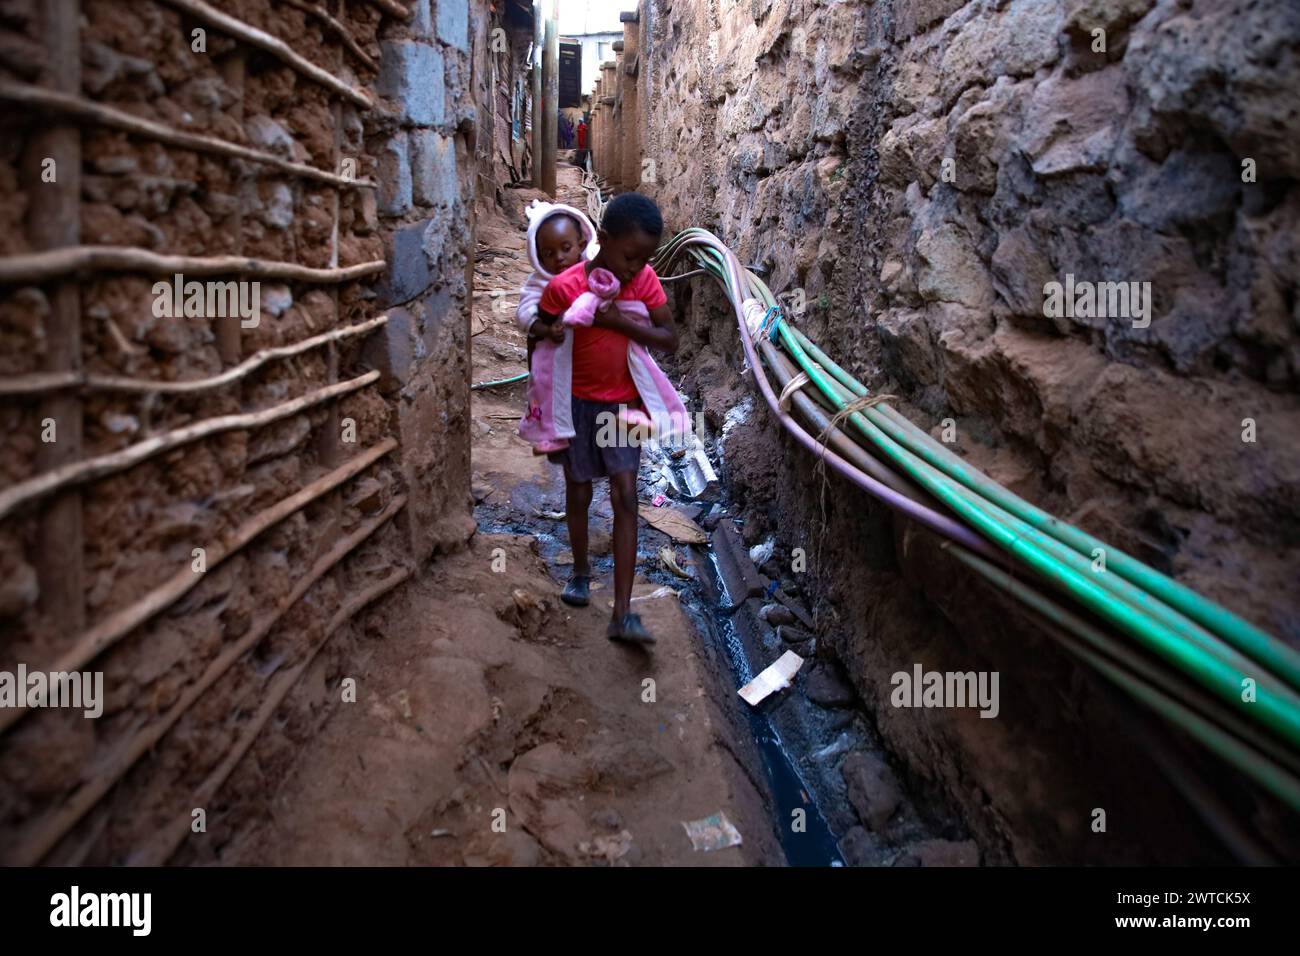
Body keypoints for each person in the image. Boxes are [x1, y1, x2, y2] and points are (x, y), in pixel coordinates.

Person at [532, 193, 686, 644]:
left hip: (621, 407)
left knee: (625, 494)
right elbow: (539, 332)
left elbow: (669, 338)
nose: (636, 267)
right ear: (602, 240)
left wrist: (617, 321)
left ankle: (622, 612)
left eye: (645, 259)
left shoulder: (645, 283)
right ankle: (580, 572)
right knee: (578, 491)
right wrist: (538, 403)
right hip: (576, 406)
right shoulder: (566, 286)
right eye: (630, 255)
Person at [515, 200, 600, 454]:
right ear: (537, 255)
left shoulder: (591, 273)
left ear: (582, 245)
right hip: (553, 352)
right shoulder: (539, 283)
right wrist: (544, 328)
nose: (559, 258)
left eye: (566, 248)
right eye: (549, 254)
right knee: (546, 390)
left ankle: (590, 430)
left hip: (586, 353)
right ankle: (550, 434)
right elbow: (524, 313)